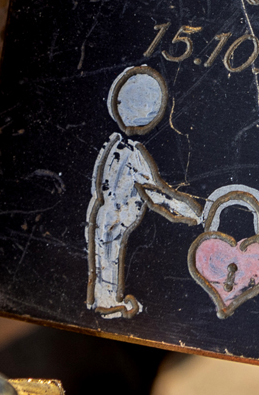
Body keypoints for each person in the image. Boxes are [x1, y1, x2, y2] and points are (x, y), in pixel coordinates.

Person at [85, 64, 199, 315]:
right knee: (108, 254)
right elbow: (156, 192)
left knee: (106, 254)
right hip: (115, 216)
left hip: (110, 215)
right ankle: (105, 300)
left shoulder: (114, 146)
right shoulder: (132, 153)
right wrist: (188, 211)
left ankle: (103, 299)